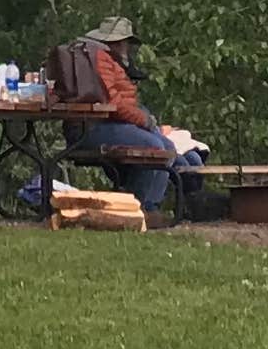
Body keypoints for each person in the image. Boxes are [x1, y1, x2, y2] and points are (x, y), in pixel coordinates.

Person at [63, 16, 182, 212]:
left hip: (106, 124)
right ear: (117, 42)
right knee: (156, 148)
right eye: (125, 43)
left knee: (166, 146)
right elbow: (114, 103)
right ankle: (137, 207)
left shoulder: (106, 59)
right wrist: (143, 120)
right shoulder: (99, 58)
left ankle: (145, 205)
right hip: (92, 127)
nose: (127, 47)